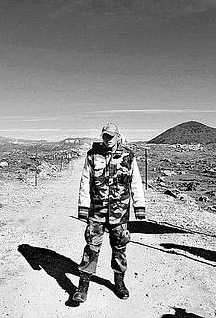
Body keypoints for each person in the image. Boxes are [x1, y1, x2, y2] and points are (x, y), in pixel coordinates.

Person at [73, 123, 146, 303]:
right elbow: (85, 181)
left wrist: (139, 206)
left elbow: (135, 181)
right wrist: (83, 206)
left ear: (118, 136)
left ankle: (119, 282)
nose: (107, 139)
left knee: (119, 247)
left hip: (119, 213)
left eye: (111, 136)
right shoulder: (92, 155)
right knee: (91, 247)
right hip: (97, 211)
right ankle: (83, 285)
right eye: (105, 136)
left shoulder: (128, 156)